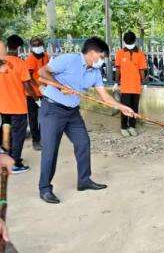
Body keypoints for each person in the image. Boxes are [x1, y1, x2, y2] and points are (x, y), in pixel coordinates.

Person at [38, 37, 136, 204]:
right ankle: (45, 188)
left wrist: (122, 107)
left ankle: (84, 181)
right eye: (102, 56)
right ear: (92, 53)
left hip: (72, 113)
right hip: (52, 110)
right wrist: (58, 85)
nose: (103, 60)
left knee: (83, 142)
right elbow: (42, 72)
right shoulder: (69, 60)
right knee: (50, 149)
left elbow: (105, 97)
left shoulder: (95, 72)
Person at [0, 35, 36, 174]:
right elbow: (27, 85)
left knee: (6, 133)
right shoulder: (21, 63)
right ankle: (14, 164)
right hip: (17, 107)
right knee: (18, 134)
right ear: (19, 48)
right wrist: (35, 95)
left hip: (3, 107)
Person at [113, 31, 147, 137]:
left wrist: (116, 81)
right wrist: (117, 82)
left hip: (135, 86)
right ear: (135, 40)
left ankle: (131, 127)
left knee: (132, 108)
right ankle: (124, 127)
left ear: (124, 41)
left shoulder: (140, 53)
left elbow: (141, 70)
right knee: (127, 107)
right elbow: (118, 68)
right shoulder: (120, 53)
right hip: (126, 86)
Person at [25, 37, 49, 151]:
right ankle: (36, 140)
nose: (38, 46)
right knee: (33, 117)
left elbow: (48, 71)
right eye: (35, 45)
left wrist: (47, 84)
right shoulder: (30, 59)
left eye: (39, 44)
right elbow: (28, 78)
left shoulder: (46, 56)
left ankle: (44, 137)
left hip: (44, 91)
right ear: (31, 47)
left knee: (45, 116)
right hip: (32, 93)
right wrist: (38, 87)